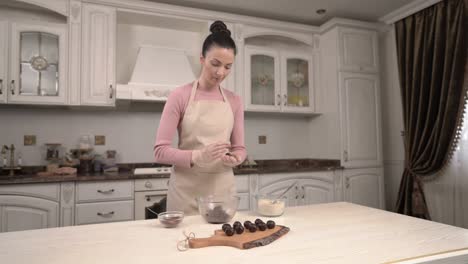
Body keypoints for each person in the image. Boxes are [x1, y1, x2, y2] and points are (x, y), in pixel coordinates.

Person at [153, 20, 247, 215]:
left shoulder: (235, 101)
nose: (221, 72)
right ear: (202, 59)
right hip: (185, 194)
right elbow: (160, 152)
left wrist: (237, 158)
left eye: (228, 67)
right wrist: (199, 156)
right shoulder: (180, 96)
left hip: (222, 193)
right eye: (215, 63)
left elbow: (239, 148)